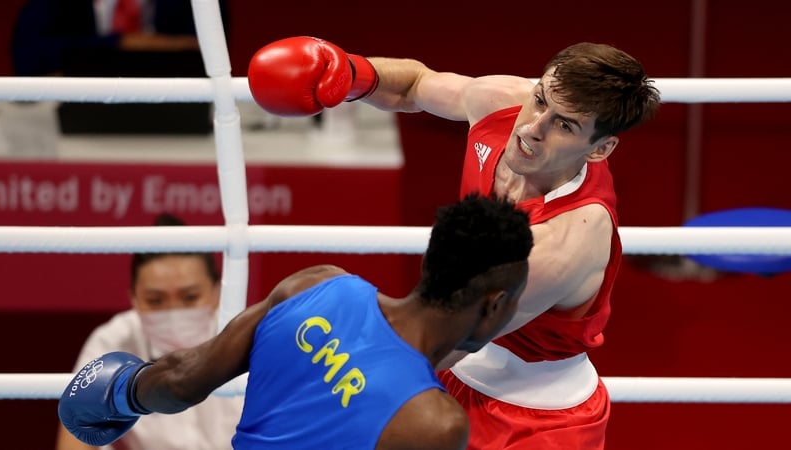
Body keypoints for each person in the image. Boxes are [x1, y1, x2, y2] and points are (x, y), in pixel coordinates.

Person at [246, 36, 662, 449]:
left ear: (600, 149)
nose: (533, 129)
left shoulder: (560, 244)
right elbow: (413, 85)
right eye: (540, 100)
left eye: (564, 125)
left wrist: (312, 370)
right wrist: (352, 74)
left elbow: (446, 339)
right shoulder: (506, 102)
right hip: (451, 363)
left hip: (535, 420)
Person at [57, 193, 534, 450]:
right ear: (495, 305)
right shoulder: (434, 424)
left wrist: (120, 392)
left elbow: (182, 381)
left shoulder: (317, 285)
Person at [55, 213, 243, 450]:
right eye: (155, 300)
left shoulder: (247, 338)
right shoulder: (111, 341)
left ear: (216, 291)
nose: (174, 313)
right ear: (134, 298)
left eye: (190, 297)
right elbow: (74, 440)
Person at [9, 0, 229, 77]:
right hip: (79, 123)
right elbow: (28, 58)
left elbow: (209, 53)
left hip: (176, 126)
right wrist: (119, 43)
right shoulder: (57, 5)